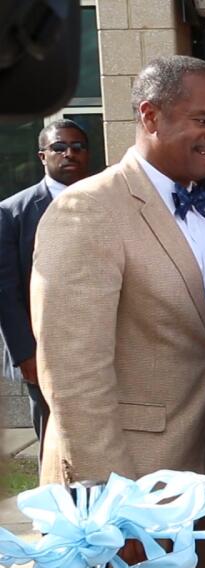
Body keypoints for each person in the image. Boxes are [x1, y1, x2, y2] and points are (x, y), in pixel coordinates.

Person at [31, 55, 205, 568]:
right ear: (150, 116)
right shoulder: (88, 211)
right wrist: (113, 507)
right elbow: (73, 376)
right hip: (126, 489)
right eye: (202, 119)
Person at [0, 120, 90, 452]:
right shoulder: (12, 213)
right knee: (53, 441)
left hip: (103, 342)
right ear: (42, 156)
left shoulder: (111, 201)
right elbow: (6, 292)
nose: (70, 154)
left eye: (78, 147)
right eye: (59, 147)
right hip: (44, 350)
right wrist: (25, 354)